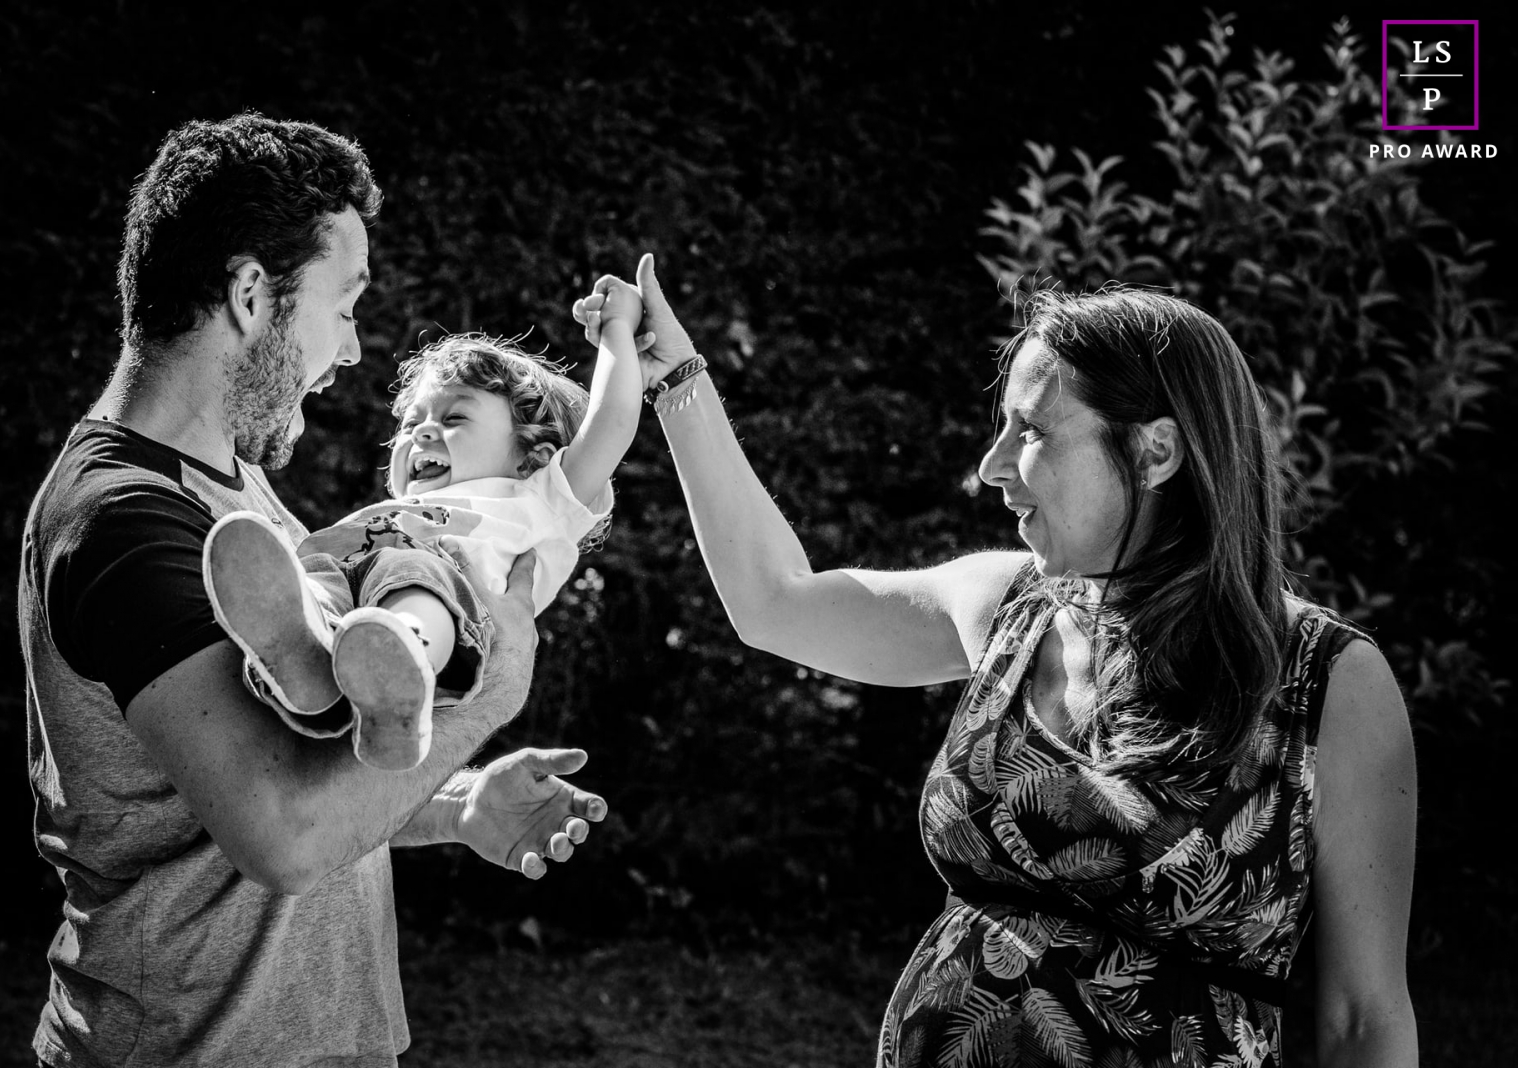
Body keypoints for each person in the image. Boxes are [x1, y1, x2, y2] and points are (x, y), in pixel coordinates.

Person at [575, 264, 1418, 1067]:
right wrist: (675, 377)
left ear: (1156, 452)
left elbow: (1364, 1020)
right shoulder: (1007, 607)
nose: (991, 467)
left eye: (1033, 432)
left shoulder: (1328, 682)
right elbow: (774, 601)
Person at [18, 113, 607, 1068]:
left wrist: (454, 805)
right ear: (252, 294)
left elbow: (288, 753)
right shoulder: (125, 523)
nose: (355, 348)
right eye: (342, 305)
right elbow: (284, 834)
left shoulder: (226, 483)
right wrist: (493, 695)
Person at [203, 317, 644, 772]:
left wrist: (616, 330)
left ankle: (398, 672)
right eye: (411, 424)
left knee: (416, 571)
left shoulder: (534, 498)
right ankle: (304, 653)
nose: (421, 433)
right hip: (352, 607)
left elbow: (612, 423)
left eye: (454, 418)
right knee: (320, 574)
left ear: (532, 457)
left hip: (443, 618)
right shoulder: (394, 516)